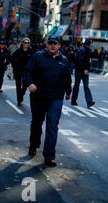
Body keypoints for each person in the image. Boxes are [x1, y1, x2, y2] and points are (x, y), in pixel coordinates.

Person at [23, 36, 72, 167]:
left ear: (59, 46)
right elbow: (27, 71)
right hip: (38, 97)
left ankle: (49, 156)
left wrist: (68, 91)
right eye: (50, 43)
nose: (52, 46)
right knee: (36, 123)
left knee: (52, 126)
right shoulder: (37, 57)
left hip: (55, 99)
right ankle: (34, 145)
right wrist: (30, 83)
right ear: (46, 45)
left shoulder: (64, 60)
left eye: (55, 44)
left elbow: (67, 77)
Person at [71, 39, 95, 108]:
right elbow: (79, 61)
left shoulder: (88, 51)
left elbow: (88, 62)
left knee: (86, 86)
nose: (91, 45)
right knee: (76, 86)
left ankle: (89, 102)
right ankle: (73, 100)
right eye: (90, 44)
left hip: (85, 72)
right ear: (88, 44)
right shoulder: (83, 50)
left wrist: (87, 70)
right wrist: (84, 69)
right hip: (79, 71)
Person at [11, 37, 34, 106]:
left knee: (25, 85)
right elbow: (12, 58)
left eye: (27, 43)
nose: (26, 44)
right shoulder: (18, 51)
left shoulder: (31, 51)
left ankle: (21, 94)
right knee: (18, 85)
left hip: (27, 71)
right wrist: (15, 66)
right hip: (18, 70)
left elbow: (34, 60)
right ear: (22, 43)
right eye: (25, 43)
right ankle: (19, 100)